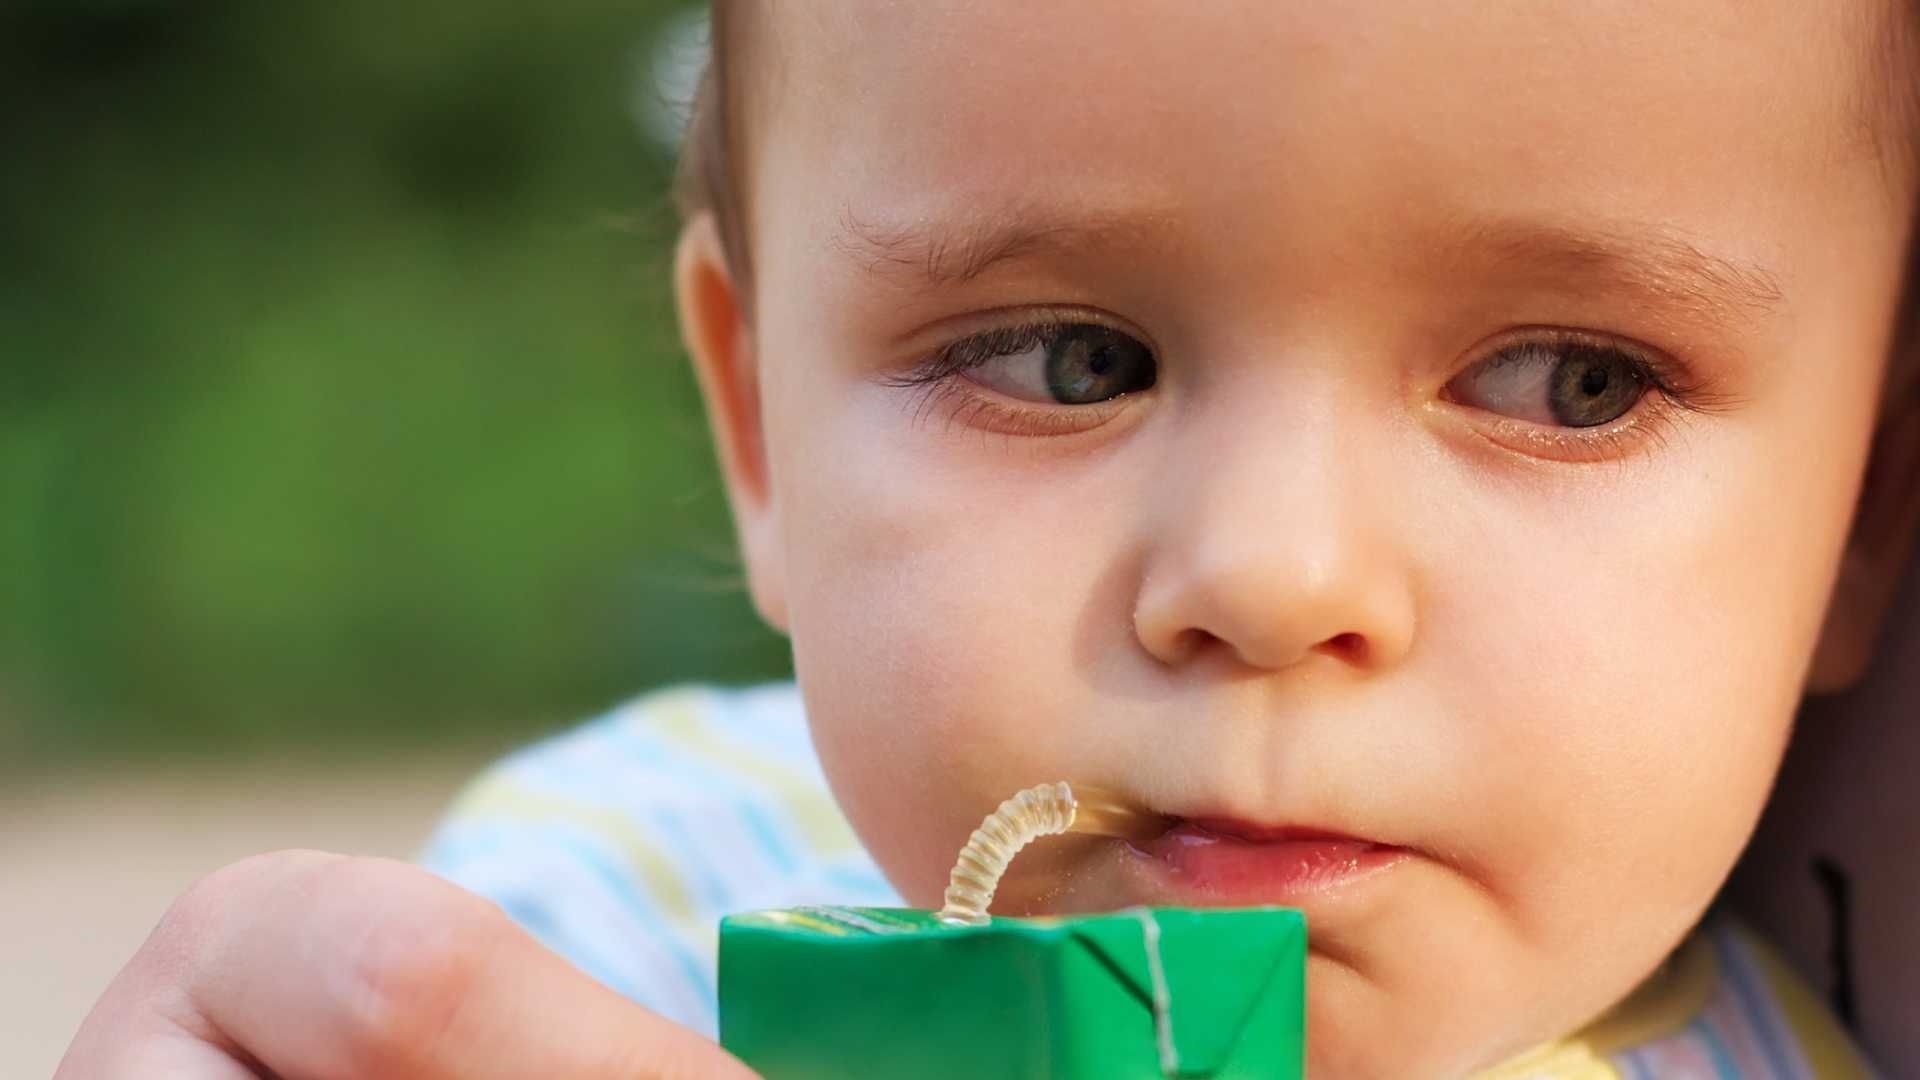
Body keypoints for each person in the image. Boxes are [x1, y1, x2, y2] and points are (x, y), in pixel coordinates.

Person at [58, 1, 1920, 1076]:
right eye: (1068, 358)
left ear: (1867, 504)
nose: (1267, 580)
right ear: (761, 434)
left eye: (1573, 383)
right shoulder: (608, 927)